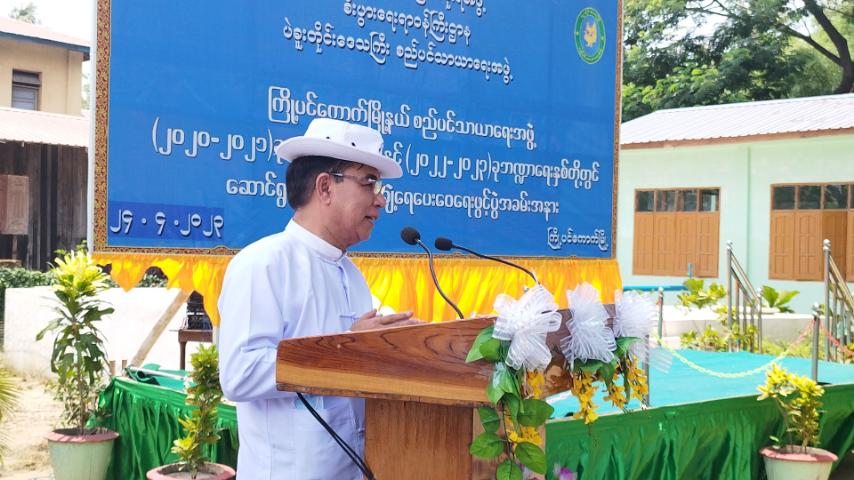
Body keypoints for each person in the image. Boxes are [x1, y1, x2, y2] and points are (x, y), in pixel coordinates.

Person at [217, 118, 420, 479]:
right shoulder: (263, 263)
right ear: (325, 187)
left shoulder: (351, 273)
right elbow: (239, 374)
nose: (381, 200)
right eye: (369, 182)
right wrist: (346, 349)